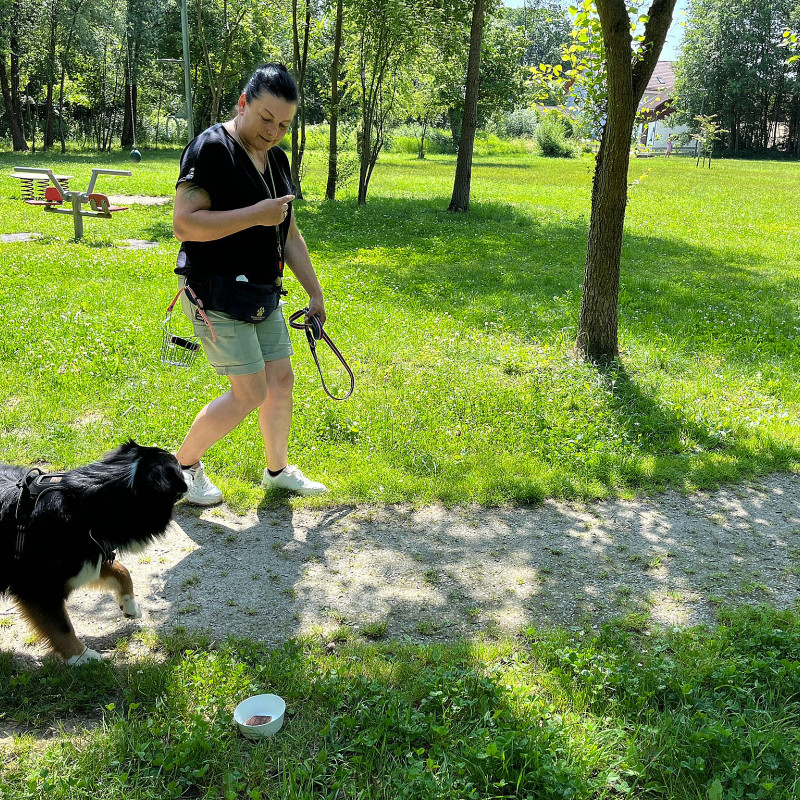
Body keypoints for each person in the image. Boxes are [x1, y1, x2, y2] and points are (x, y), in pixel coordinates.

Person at [172, 63, 327, 505]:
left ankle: (277, 471)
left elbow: (289, 234)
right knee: (251, 391)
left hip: (261, 293)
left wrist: (315, 293)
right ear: (243, 103)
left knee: (281, 381)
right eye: (265, 118)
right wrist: (254, 215)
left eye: (283, 124)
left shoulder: (276, 159)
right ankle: (181, 467)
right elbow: (185, 223)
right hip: (215, 292)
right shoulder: (211, 149)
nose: (273, 131)